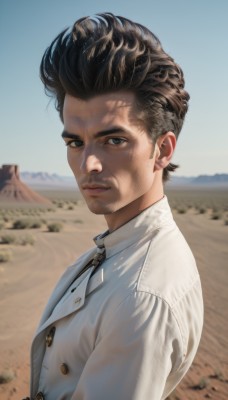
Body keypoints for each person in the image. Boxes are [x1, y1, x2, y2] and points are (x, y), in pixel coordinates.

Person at [27, 13, 204, 400]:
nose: (87, 163)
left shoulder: (142, 298)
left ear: (163, 149)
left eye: (114, 141)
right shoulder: (120, 246)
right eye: (75, 143)